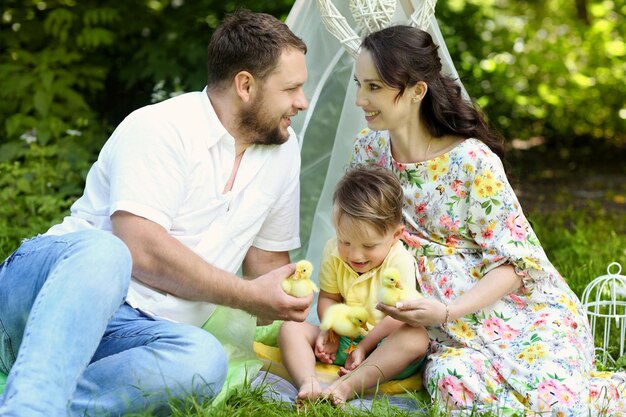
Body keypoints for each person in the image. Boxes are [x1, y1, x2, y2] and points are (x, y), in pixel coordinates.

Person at [0, 10, 313, 417]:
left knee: (204, 362)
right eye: (291, 89)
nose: (302, 102)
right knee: (108, 251)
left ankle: (31, 404)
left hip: (135, 336)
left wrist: (303, 320)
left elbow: (267, 267)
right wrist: (248, 296)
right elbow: (141, 251)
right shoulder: (162, 127)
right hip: (48, 298)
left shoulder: (283, 151)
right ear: (245, 85)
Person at [349, 24, 626, 416]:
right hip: (443, 332)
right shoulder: (368, 150)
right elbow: (356, 231)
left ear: (416, 91)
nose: (361, 99)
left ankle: (607, 395)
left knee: (557, 403)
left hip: (516, 311)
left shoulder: (471, 161)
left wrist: (446, 311)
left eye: (374, 87)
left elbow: (515, 265)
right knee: (453, 383)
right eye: (358, 84)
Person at [278, 165, 429, 404]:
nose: (355, 255)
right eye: (345, 241)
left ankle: (345, 387)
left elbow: (398, 316)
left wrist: (365, 347)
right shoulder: (332, 251)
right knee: (290, 328)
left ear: (396, 235)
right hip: (344, 341)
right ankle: (309, 383)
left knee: (416, 339)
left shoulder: (399, 260)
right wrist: (330, 329)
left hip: (382, 348)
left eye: (369, 246)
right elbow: (329, 297)